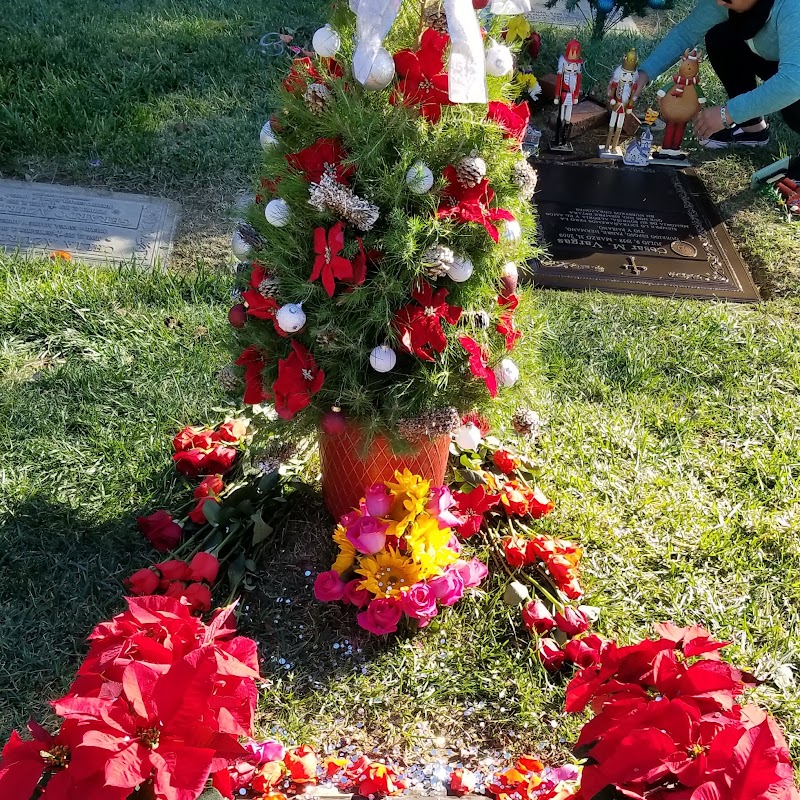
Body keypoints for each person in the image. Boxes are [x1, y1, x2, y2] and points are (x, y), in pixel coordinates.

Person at [635, 0, 800, 158]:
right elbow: (685, 34)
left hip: (795, 77)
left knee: (795, 109)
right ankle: (752, 129)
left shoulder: (793, 6)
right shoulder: (724, 2)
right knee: (720, 35)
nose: (720, 2)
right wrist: (644, 73)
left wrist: (728, 113)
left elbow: (793, 82)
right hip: (780, 62)